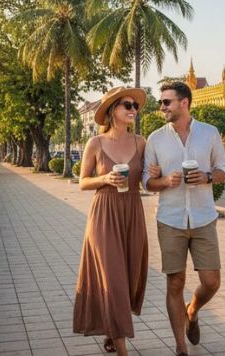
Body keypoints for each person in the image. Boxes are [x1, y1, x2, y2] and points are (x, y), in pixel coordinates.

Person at [144, 81, 225, 356]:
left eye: (166, 102)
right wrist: (164, 180)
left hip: (203, 217)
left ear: (184, 103)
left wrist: (206, 177)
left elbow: (223, 170)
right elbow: (147, 181)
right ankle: (180, 347)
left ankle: (192, 311)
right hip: (170, 219)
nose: (162, 107)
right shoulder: (155, 138)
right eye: (161, 102)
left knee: (211, 281)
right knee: (175, 282)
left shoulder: (209, 133)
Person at [73, 87, 149, 356]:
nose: (132, 110)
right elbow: (83, 182)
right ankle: (121, 348)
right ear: (112, 111)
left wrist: (159, 174)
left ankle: (111, 329)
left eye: (135, 106)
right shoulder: (95, 143)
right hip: (104, 214)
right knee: (112, 277)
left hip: (132, 213)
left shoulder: (141, 143)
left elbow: (148, 177)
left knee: (127, 278)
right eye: (127, 105)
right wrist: (104, 179)